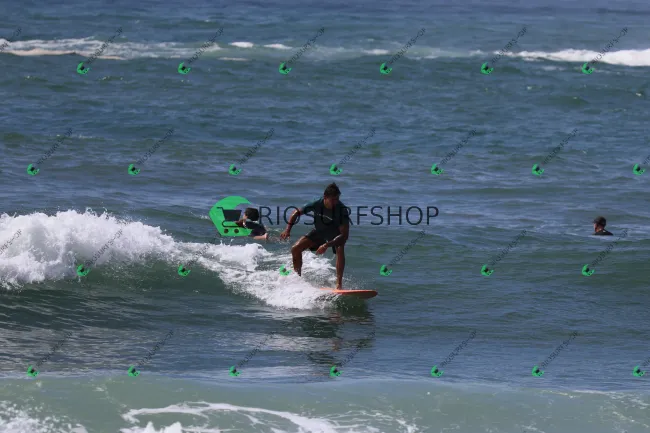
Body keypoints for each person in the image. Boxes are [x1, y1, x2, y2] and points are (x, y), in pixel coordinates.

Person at [280, 183, 350, 290]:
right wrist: (287, 230)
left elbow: (344, 235)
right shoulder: (317, 203)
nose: (336, 202)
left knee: (340, 248)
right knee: (295, 249)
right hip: (319, 232)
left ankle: (339, 284)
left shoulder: (341, 210)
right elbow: (296, 212)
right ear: (325, 197)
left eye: (337, 199)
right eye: (333, 199)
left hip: (335, 235)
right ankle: (297, 279)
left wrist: (326, 245)